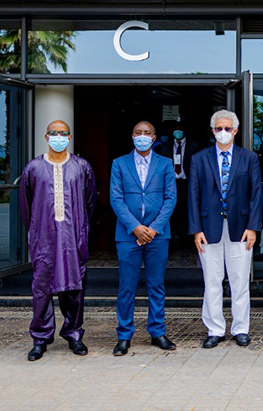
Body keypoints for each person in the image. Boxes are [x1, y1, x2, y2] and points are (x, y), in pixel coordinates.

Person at [19, 120, 97, 361]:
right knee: (42, 289)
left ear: (69, 137)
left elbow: (90, 201)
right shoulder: (33, 167)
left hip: (73, 239)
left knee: (74, 288)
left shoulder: (81, 166)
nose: (58, 136)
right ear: (46, 137)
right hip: (44, 239)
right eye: (53, 133)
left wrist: (80, 229)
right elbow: (25, 205)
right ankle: (40, 339)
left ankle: (74, 334)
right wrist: (36, 231)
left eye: (62, 133)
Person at [188, 110, 262, 348]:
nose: (223, 132)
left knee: (239, 280)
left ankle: (240, 328)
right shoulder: (199, 159)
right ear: (212, 131)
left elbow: (256, 194)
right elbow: (193, 195)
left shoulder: (249, 158)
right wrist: (196, 229)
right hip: (208, 228)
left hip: (241, 229)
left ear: (235, 131)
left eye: (227, 128)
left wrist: (253, 227)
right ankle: (215, 329)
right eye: (218, 128)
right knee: (212, 280)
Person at [109, 121, 178, 356]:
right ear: (132, 136)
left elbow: (170, 198)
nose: (142, 136)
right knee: (126, 287)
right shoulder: (119, 163)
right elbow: (116, 198)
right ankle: (124, 335)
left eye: (147, 133)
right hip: (128, 234)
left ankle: (157, 332)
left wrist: (153, 229)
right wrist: (136, 227)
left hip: (157, 234)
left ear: (154, 138)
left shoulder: (165, 163)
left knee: (156, 285)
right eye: (138, 132)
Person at [157, 122, 197, 249]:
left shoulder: (194, 146)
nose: (177, 132)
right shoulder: (164, 147)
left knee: (186, 210)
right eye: (175, 129)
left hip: (186, 183)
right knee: (170, 210)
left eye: (180, 129)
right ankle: (172, 237)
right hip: (170, 183)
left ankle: (185, 237)